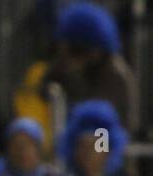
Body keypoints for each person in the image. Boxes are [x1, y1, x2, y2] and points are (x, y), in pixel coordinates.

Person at [46, 1, 137, 131]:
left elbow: (115, 127)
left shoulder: (116, 76)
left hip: (101, 141)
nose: (66, 57)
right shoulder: (61, 68)